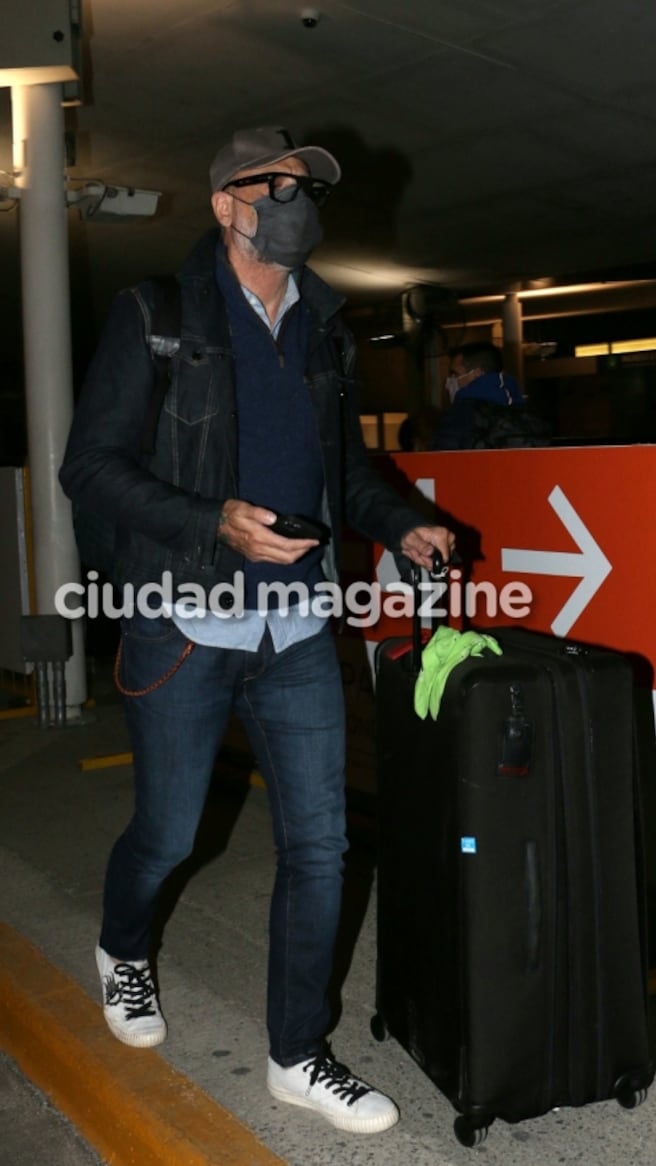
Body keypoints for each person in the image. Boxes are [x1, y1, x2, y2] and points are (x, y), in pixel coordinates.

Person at [59, 125, 453, 1136]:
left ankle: (296, 1053)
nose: (292, 198)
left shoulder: (323, 330)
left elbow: (341, 474)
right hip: (181, 622)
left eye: (303, 185)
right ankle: (124, 946)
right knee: (170, 831)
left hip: (295, 628)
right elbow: (91, 466)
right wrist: (213, 520)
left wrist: (401, 520)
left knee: (319, 845)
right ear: (225, 204)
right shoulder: (156, 313)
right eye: (269, 184)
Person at [430, 341, 537, 450]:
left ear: (477, 374)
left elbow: (442, 459)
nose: (449, 381)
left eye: (455, 374)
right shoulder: (526, 412)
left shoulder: (460, 415)